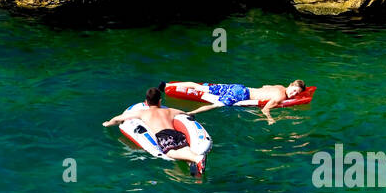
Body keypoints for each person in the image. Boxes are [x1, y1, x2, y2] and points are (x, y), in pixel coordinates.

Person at [103, 84, 208, 175]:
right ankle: (195, 167)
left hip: (163, 135)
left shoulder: (143, 113)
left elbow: (119, 119)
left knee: (170, 152)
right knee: (184, 149)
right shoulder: (169, 111)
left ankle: (197, 158)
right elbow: (185, 114)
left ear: (146, 102)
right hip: (177, 133)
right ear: (160, 101)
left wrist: (108, 123)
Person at [171, 79, 307, 125]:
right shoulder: (280, 97)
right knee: (216, 105)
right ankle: (189, 113)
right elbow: (265, 109)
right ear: (291, 85)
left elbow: (265, 87)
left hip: (239, 87)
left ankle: (167, 85)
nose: (293, 94)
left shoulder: (279, 86)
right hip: (242, 94)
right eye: (294, 91)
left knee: (200, 87)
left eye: (296, 94)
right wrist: (270, 119)